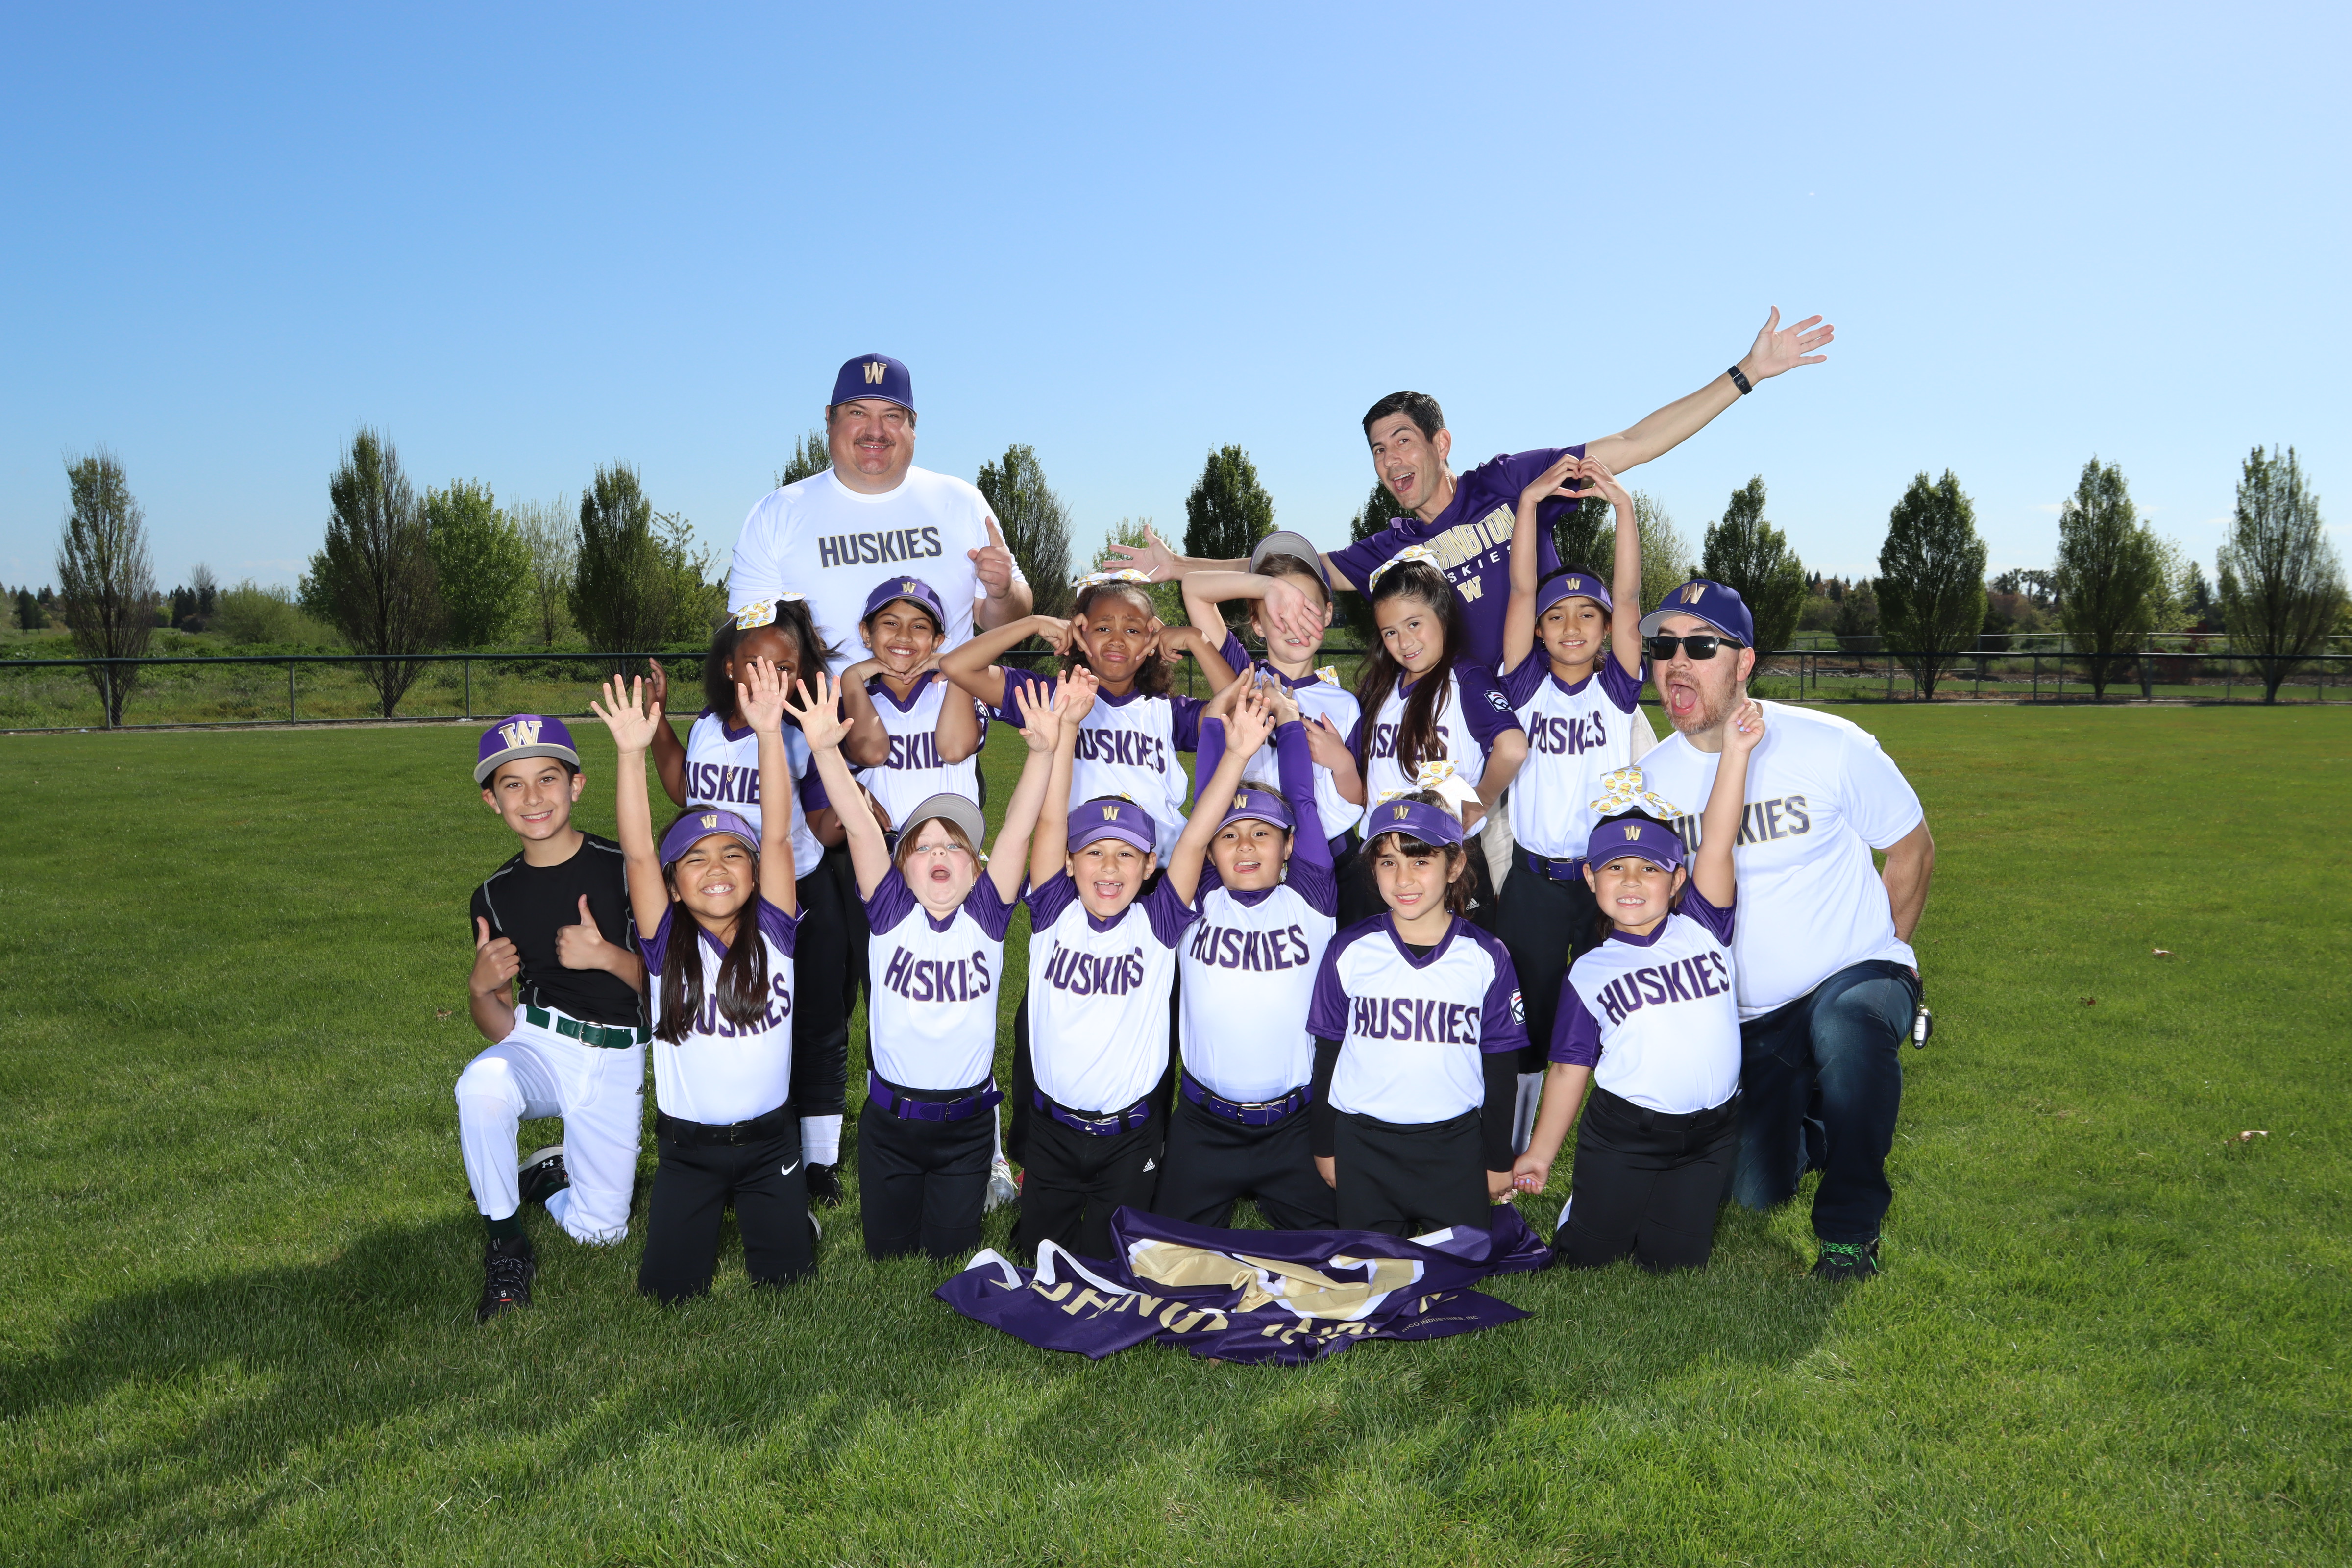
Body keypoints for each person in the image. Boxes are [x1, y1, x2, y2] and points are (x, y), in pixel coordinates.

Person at [1103, 308, 1837, 673]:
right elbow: (1285, 570)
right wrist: (1179, 567)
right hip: (1477, 727)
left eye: (1403, 441)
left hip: (1566, 698)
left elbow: (1636, 442)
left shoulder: (1510, 482)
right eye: (1378, 451)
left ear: (1441, 443)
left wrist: (1746, 374)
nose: (1391, 461)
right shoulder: (1392, 549)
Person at [1629, 580, 1936, 1279]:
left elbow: (1912, 849)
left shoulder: (1830, 744)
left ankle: (1850, 1235)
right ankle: (1821, 1118)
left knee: (1849, 1027)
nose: (1677, 662)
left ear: (1744, 662)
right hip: (1749, 1016)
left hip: (1852, 976)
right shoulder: (1650, 782)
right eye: (1665, 647)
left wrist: (1885, 954)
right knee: (1752, 1188)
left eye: (1700, 646)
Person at [791, 669, 1070, 1260]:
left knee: (949, 1252)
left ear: (976, 868)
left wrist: (1043, 753)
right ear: (901, 867)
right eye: (923, 846)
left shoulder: (986, 916)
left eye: (954, 845)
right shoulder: (890, 911)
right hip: (890, 1126)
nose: (940, 851)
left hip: (965, 1129)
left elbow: (1018, 829)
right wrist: (824, 750)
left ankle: (987, 1172)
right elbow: (860, 826)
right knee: (888, 1254)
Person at [1016, 671, 1278, 1262]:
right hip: (1052, 1131)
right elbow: (1051, 821)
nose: (1109, 868)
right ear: (1069, 862)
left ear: (1149, 863)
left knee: (1116, 1269)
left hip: (1130, 1136)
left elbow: (1195, 841)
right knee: (1042, 1264)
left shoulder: (1157, 924)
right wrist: (1066, 732)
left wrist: (1237, 755)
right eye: (1094, 852)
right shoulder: (1054, 911)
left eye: (1126, 854)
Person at [1511, 700, 1765, 1273]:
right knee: (1588, 1257)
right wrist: (1541, 1154)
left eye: (1650, 868)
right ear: (1591, 877)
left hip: (1710, 1134)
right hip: (1626, 1132)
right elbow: (1570, 1068)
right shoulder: (1589, 972)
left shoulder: (1704, 924)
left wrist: (1735, 753)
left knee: (1672, 1262)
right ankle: (1587, 1207)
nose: (1632, 881)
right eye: (1615, 867)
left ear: (1677, 880)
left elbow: (1718, 839)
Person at [590, 662, 808, 1304]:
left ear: (755, 873)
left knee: (789, 1284)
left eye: (732, 855)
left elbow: (777, 833)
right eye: (695, 859)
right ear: (674, 885)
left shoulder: (775, 931)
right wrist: (632, 754)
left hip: (771, 1142)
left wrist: (768, 734)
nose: (717, 868)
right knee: (669, 1291)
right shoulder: (665, 942)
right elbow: (637, 851)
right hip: (687, 1150)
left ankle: (792, 1215)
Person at [649, 598, 875, 1209]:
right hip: (721, 903)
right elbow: (683, 786)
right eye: (755, 663)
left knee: (818, 1023)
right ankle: (736, 1142)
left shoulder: (799, 733)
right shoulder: (706, 725)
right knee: (734, 1022)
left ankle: (819, 1161)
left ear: (802, 673)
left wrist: (856, 811)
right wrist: (659, 721)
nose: (769, 676)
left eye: (785, 666)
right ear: (729, 666)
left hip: (795, 894)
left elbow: (822, 822)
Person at [457, 715, 649, 1323]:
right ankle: (506, 1245)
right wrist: (480, 987)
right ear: (492, 801)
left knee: (601, 1233)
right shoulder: (493, 894)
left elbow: (673, 988)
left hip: (617, 1052)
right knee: (482, 1085)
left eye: (547, 778)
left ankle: (549, 1178)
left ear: (577, 785)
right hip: (541, 1041)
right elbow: (500, 1025)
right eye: (512, 784)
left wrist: (607, 956)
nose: (532, 796)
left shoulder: (624, 867)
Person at [1493, 453, 1647, 1138]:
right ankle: (1520, 1141)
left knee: (1610, 1008)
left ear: (1607, 627)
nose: (1574, 626)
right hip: (1532, 883)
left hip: (1603, 880)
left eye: (1589, 614)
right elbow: (1520, 588)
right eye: (1557, 616)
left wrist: (1625, 510)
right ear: (1538, 628)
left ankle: (1611, 1131)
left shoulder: (1617, 689)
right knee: (1527, 1018)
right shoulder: (1525, 685)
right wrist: (1527, 505)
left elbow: (1631, 597)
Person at [1152, 676, 1340, 1231]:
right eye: (1230, 836)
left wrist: (1289, 721)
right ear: (1211, 850)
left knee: (1340, 1260)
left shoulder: (1310, 898)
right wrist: (1216, 723)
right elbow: (1205, 805)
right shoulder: (1201, 894)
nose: (1247, 846)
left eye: (1263, 833)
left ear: (1288, 847)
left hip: (1294, 1124)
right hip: (1205, 1124)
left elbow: (1303, 802)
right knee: (1159, 1260)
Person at [724, 352, 1031, 674]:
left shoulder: (962, 501)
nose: (876, 431)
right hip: (826, 707)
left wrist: (1004, 593)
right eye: (858, 413)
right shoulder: (777, 513)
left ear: (913, 425)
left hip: (951, 706)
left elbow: (1005, 618)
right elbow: (748, 643)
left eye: (892, 416)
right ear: (829, 419)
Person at [1305, 794, 1526, 1236]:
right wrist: (1325, 1146)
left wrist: (1497, 1159)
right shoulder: (1349, 950)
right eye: (1388, 862)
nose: (1403, 878)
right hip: (1363, 1143)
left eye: (1421, 861)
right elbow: (1328, 1054)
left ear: (1455, 865)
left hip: (1454, 1144)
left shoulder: (1486, 956)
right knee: (1370, 1267)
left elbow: (1501, 1066)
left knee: (1461, 1265)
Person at [939, 573, 1236, 860]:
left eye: (1133, 631)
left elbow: (1240, 715)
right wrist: (1033, 623)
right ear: (1080, 634)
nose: (1117, 640)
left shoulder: (1167, 712)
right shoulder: (1053, 697)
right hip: (1079, 866)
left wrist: (1198, 640)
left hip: (1161, 868)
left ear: (1152, 640)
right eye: (1103, 628)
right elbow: (957, 666)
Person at [1346, 551, 1527, 926]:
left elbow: (1512, 748)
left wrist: (1480, 802)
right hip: (1381, 857)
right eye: (1390, 632)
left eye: (1414, 624)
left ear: (1442, 614)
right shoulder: (1381, 688)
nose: (1404, 642)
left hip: (1444, 858)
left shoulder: (1465, 677)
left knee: (1455, 961)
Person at [1178, 529, 1366, 865]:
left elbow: (1358, 799)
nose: (1295, 625)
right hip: (1253, 857)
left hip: (1329, 858)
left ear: (1327, 614)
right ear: (1258, 624)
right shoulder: (1243, 677)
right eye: (1281, 613)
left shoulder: (1345, 704)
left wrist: (1342, 763)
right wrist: (1267, 588)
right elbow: (1193, 588)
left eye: (1307, 609)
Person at [843, 576, 986, 833]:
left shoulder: (958, 689)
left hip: (955, 846)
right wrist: (851, 678)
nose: (904, 636)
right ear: (866, 633)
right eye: (891, 623)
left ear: (937, 641)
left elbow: (955, 749)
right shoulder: (854, 702)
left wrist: (955, 669)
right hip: (883, 850)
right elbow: (871, 754)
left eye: (919, 626)